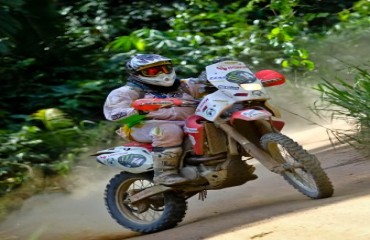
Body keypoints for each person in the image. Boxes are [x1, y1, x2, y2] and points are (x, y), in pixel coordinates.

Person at [103, 54, 204, 185]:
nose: (162, 73)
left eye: (165, 68)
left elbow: (207, 84)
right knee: (168, 130)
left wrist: (218, 74)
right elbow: (113, 114)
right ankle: (165, 173)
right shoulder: (126, 92)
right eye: (153, 71)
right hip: (142, 126)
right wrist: (140, 110)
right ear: (137, 74)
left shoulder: (185, 85)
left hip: (188, 122)